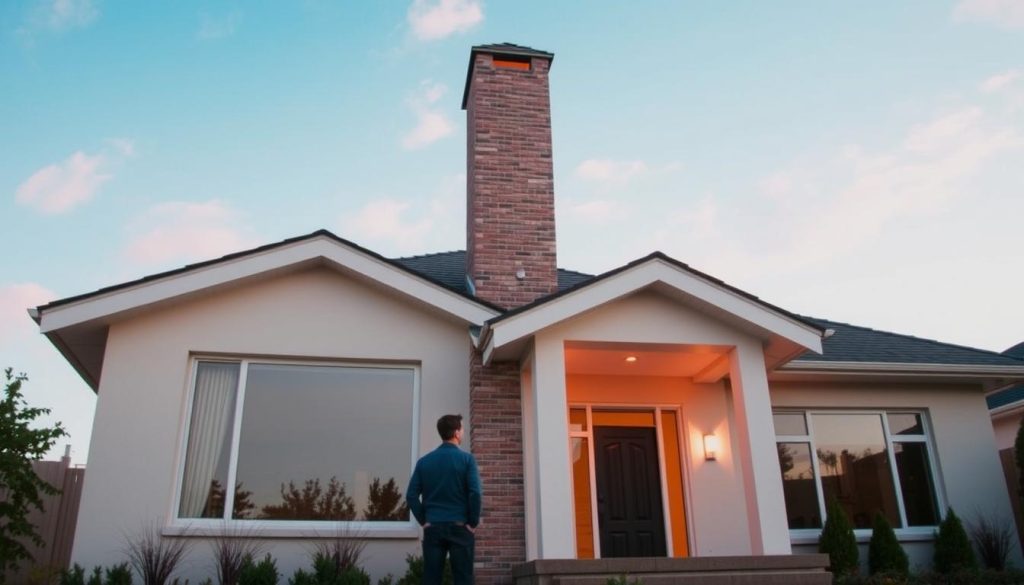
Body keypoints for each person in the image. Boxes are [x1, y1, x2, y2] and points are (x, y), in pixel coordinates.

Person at [406, 414, 482, 585]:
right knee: (463, 579)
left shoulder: (424, 462)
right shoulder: (467, 460)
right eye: (462, 429)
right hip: (460, 527)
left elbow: (411, 495)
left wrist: (424, 520)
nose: (463, 432)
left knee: (431, 579)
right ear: (456, 432)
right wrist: (473, 522)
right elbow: (475, 493)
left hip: (433, 528)